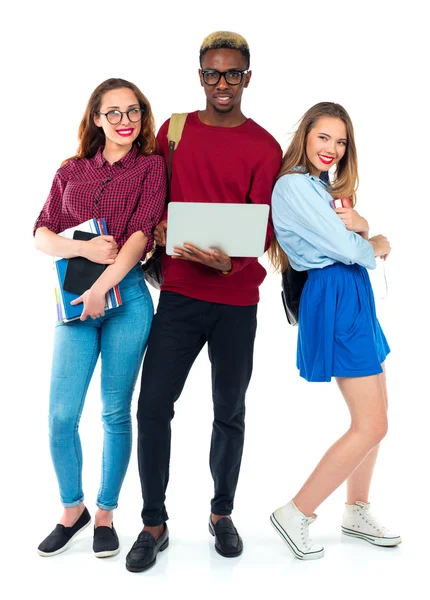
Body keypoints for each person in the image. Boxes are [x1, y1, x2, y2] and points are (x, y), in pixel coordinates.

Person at [125, 31, 282, 572]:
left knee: (229, 411)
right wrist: (163, 225)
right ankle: (153, 522)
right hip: (180, 293)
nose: (222, 84)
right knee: (152, 407)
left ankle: (221, 514)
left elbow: (264, 225)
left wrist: (230, 263)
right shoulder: (174, 130)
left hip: (237, 298)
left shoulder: (264, 147)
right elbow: (153, 196)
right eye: (213, 74)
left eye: (232, 74)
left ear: (247, 78)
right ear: (200, 76)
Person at [34, 78, 167, 558]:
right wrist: (81, 248)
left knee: (114, 411)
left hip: (126, 301)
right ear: (96, 118)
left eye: (133, 111)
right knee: (60, 415)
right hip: (75, 304)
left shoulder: (151, 168)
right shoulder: (71, 171)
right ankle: (73, 510)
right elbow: (40, 234)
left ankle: (106, 513)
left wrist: (100, 287)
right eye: (113, 113)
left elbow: (140, 237)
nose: (125, 121)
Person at [268, 102, 401, 560]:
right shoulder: (292, 185)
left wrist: (361, 230)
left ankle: (356, 509)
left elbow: (350, 234)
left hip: (351, 293)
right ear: (305, 135)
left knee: (377, 414)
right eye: (324, 137)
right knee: (372, 423)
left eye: (340, 141)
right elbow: (346, 245)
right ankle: (297, 513)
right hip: (335, 293)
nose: (332, 148)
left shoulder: (319, 187)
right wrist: (374, 241)